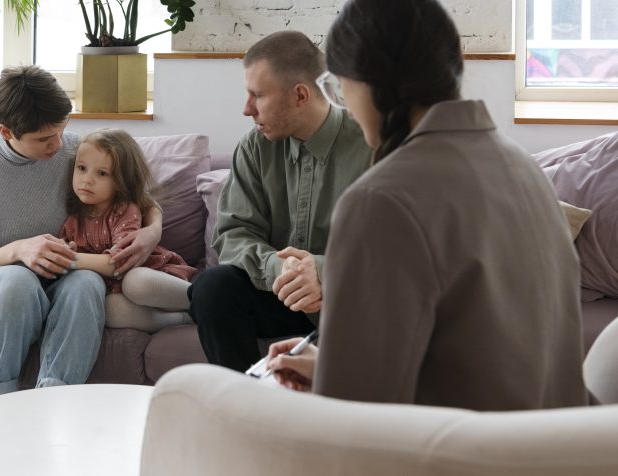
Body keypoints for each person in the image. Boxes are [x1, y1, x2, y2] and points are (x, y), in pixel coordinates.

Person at [267, 0, 589, 410]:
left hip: (459, 454)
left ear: (366, 80)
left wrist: (331, 380)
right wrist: (330, 365)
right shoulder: (523, 168)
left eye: (337, 86)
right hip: (553, 445)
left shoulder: (380, 199)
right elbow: (482, 352)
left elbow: (353, 412)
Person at [0, 65, 163, 398]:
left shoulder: (78, 152)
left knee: (88, 282)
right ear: (5, 132)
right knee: (16, 280)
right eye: (44, 139)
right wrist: (18, 251)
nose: (58, 144)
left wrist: (152, 232)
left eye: (61, 130)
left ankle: (55, 400)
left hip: (66, 279)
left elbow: (141, 198)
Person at [187, 30, 372, 372]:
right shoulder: (255, 147)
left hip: (348, 298)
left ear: (300, 95)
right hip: (277, 292)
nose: (246, 109)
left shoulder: (370, 144)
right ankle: (244, 406)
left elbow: (392, 251)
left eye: (257, 95)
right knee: (212, 288)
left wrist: (320, 272)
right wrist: (283, 269)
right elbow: (233, 233)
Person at [59, 128, 198, 325]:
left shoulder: (123, 210)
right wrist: (66, 250)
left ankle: (205, 300)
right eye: (81, 168)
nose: (87, 179)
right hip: (116, 290)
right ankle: (184, 318)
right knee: (110, 309)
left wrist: (67, 259)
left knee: (136, 282)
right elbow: (68, 250)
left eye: (102, 173)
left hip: (150, 277)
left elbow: (118, 264)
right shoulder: (74, 218)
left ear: (121, 180)